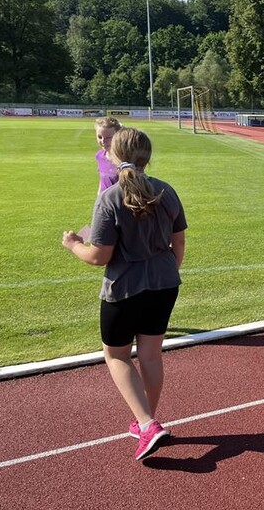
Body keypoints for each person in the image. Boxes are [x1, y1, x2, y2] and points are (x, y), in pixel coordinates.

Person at [61, 127, 187, 461]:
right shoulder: (167, 191)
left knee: (116, 356)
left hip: (124, 287)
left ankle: (146, 423)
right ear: (148, 156)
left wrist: (73, 244)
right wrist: (165, 270)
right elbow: (179, 242)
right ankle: (146, 420)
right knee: (151, 356)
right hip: (164, 283)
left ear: (114, 156)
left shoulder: (110, 198)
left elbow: (99, 256)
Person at [94, 117, 123, 194]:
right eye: (99, 137)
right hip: (104, 200)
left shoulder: (124, 159)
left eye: (108, 138)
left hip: (118, 200)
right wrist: (99, 196)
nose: (103, 141)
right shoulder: (100, 156)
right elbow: (103, 180)